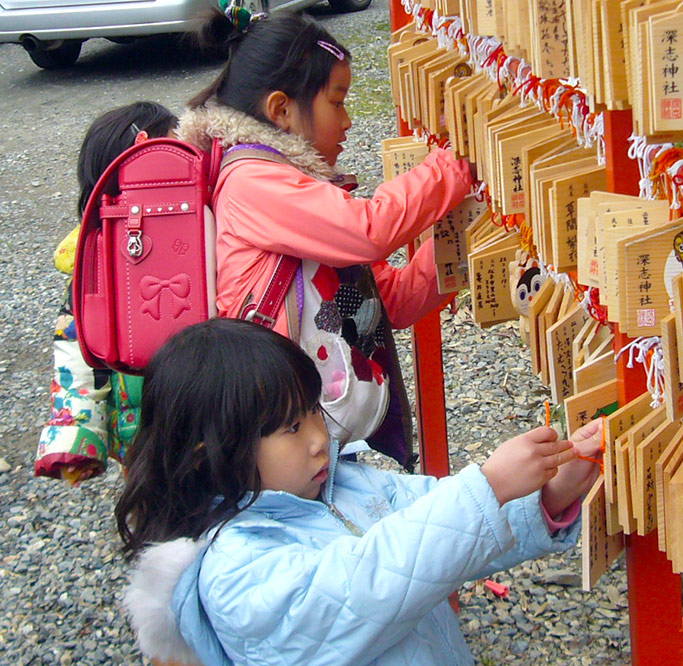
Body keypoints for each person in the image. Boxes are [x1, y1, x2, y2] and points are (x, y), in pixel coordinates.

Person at [116, 318, 603, 665]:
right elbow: (365, 585)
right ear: (212, 454)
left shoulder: (344, 485)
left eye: (311, 410)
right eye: (290, 427)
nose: (316, 438)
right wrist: (490, 485)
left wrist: (550, 492)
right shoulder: (235, 572)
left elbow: (448, 528)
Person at [176, 10, 475, 470]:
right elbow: (369, 229)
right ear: (281, 110)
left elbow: (387, 302)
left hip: (308, 423)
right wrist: (455, 165)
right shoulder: (252, 181)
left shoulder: (295, 189)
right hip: (272, 432)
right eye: (337, 103)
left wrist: (467, 243)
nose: (349, 121)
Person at [37, 102, 179, 484]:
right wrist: (76, 436)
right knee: (153, 509)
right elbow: (76, 350)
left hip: (208, 407)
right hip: (139, 428)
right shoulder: (96, 265)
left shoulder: (197, 242)